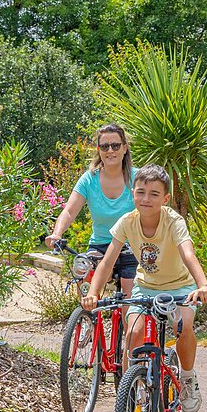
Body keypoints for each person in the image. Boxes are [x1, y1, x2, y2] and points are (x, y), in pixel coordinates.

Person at [84, 165, 207, 412]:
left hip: (180, 287)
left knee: (183, 327)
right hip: (145, 287)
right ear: (132, 193)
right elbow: (108, 261)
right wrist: (93, 292)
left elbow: (188, 253)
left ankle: (187, 377)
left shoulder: (173, 221)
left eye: (154, 194)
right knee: (133, 333)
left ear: (165, 199)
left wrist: (202, 284)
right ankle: (130, 395)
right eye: (140, 192)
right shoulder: (127, 221)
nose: (145, 199)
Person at [45, 123, 138, 297]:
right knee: (85, 275)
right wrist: (57, 234)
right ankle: (88, 322)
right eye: (104, 146)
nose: (110, 150)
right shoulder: (89, 179)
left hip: (130, 246)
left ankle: (126, 323)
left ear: (124, 148)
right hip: (100, 246)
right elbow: (70, 211)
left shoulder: (138, 179)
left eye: (115, 145)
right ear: (99, 150)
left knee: (130, 301)